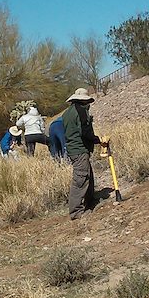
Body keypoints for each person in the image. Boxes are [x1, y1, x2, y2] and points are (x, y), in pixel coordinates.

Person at [61, 87, 101, 219]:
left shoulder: (67, 113)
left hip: (73, 149)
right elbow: (84, 132)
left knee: (87, 174)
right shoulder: (81, 112)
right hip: (79, 149)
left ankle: (89, 201)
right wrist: (98, 140)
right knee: (81, 178)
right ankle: (76, 211)